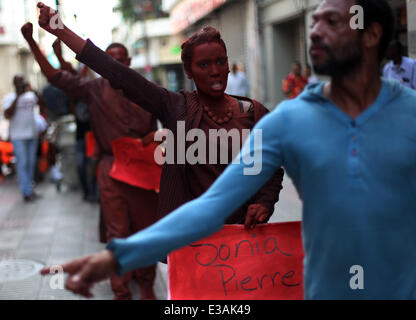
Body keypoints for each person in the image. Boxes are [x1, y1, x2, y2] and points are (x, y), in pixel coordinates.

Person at [36, 2, 287, 296]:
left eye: (221, 62)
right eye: (204, 65)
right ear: (189, 71)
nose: (215, 71)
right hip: (192, 239)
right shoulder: (175, 107)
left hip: (244, 241)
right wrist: (60, 30)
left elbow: (271, 167)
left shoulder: (255, 113)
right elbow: (115, 73)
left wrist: (265, 202)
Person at [21, 23, 160, 300]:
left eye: (122, 61)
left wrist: (158, 137)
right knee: (117, 232)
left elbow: (167, 120)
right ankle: (121, 290)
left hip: (145, 168)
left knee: (147, 230)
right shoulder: (94, 88)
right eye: (112, 62)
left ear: (129, 63)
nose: (118, 66)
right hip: (112, 169)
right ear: (105, 65)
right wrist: (31, 42)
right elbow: (55, 76)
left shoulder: (146, 88)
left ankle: (146, 285)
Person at [2, 75, 42, 202]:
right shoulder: (9, 97)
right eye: (18, 82)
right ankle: (26, 192)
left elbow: (42, 103)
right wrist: (18, 97)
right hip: (18, 136)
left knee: (30, 164)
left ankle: (30, 189)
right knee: (22, 164)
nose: (20, 84)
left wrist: (32, 89)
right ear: (14, 84)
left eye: (22, 82)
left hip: (32, 134)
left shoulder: (30, 96)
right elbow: (7, 114)